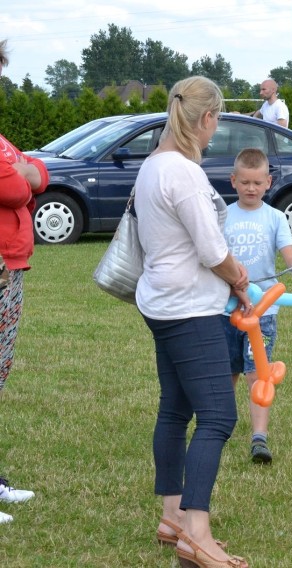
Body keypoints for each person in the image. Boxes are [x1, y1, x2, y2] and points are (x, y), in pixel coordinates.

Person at [135, 75, 252, 568]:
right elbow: (211, 250)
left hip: (163, 302)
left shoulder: (151, 166)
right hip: (188, 308)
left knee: (176, 410)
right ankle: (196, 534)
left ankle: (172, 518)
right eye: (216, 120)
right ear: (206, 119)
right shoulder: (182, 173)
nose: (215, 130)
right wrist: (240, 280)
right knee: (220, 416)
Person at [221, 148, 292, 465]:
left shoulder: (275, 217)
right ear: (234, 181)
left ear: (268, 182)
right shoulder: (224, 216)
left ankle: (259, 437)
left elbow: (289, 252)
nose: (251, 188)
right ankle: (220, 428)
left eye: (257, 182)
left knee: (257, 375)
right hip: (227, 311)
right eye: (244, 181)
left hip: (263, 314)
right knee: (226, 373)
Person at [0, 38, 46, 524]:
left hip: (9, 269)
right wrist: (22, 173)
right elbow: (15, 185)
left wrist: (24, 171)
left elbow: (39, 172)